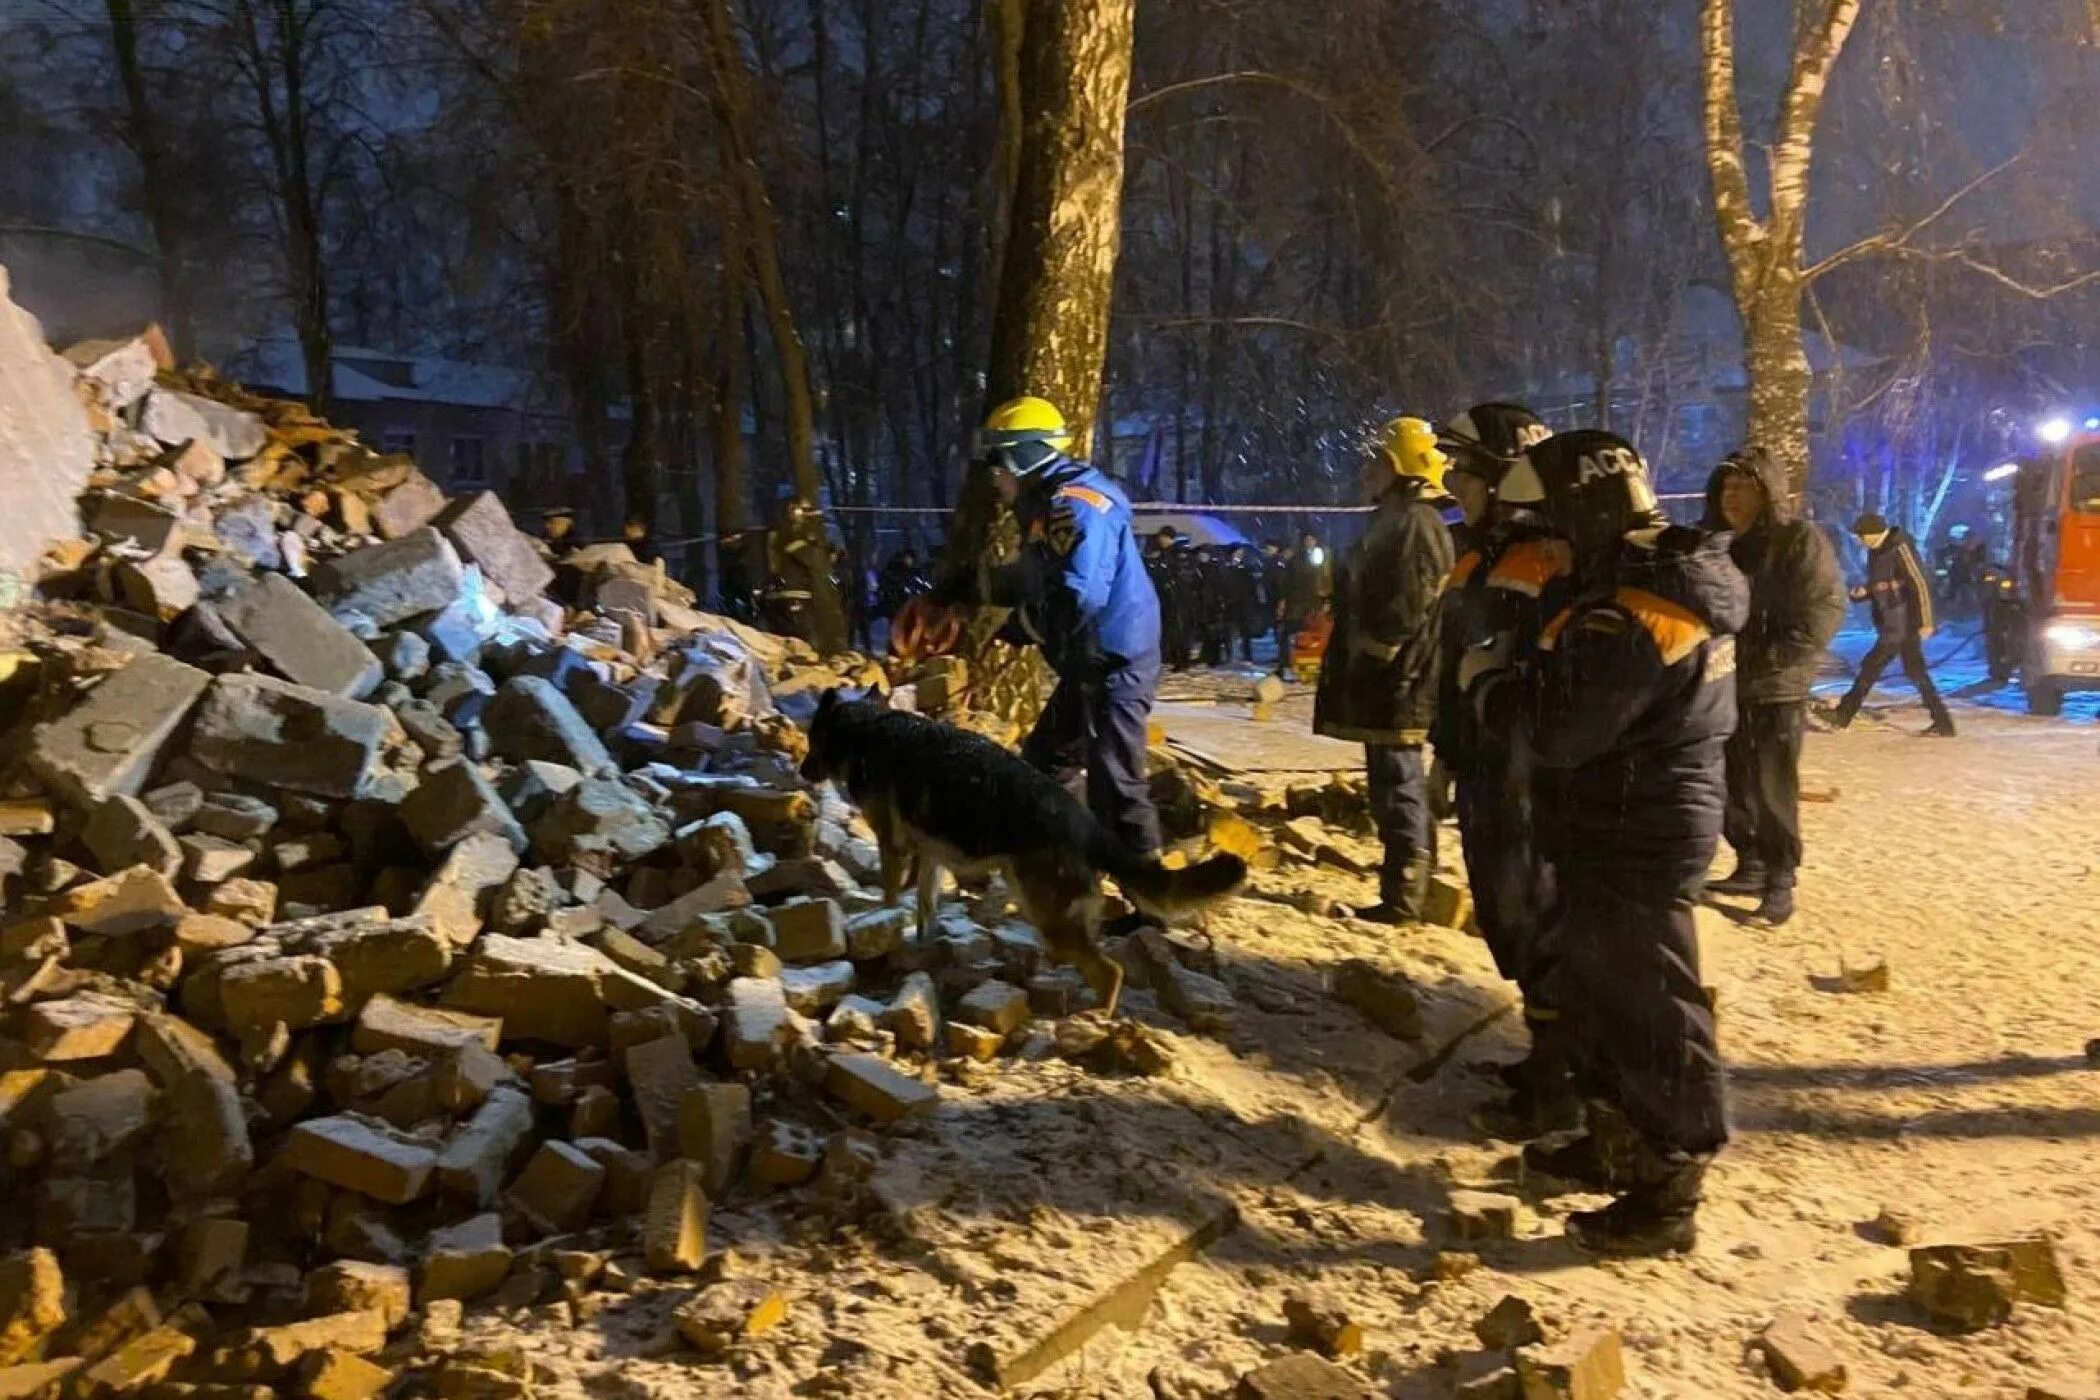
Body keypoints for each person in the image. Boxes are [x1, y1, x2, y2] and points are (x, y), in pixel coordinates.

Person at [1469, 429, 1745, 1257]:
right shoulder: (1639, 582)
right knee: (1602, 991)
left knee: (1650, 1006)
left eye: (1549, 523)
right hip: (1616, 821)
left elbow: (1560, 728)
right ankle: (1616, 1142)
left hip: (1639, 830)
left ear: (1585, 509)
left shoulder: (1636, 608)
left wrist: (1492, 690)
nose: (1543, 544)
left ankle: (1669, 1186)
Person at [1427, 402, 1570, 1132]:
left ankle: (1561, 1083)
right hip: (1485, 764)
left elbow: (1534, 685)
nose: (1452, 482)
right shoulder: (1481, 549)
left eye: (1464, 470)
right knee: (1510, 920)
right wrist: (1447, 753)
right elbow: (1460, 663)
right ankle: (1543, 1055)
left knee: (1539, 922)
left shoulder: (1538, 559)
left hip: (1521, 776)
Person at [972, 396, 1166, 854]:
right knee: (1042, 767)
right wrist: (975, 588)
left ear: (1023, 456)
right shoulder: (1050, 503)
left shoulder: (1075, 507)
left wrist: (1024, 623)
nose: (993, 477)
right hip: (1089, 661)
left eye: (998, 463)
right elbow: (1042, 576)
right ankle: (1046, 864)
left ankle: (1152, 900)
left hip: (1113, 662)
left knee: (1116, 785)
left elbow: (1078, 593)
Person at [1314, 417, 1455, 925]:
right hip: (1392, 677)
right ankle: (1407, 887)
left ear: (1403, 469)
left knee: (1398, 785)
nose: (1366, 473)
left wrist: (1374, 652)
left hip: (1400, 680)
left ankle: (1404, 899)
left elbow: (1408, 602)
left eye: (1377, 462)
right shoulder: (1399, 518)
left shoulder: (1415, 521)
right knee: (1391, 784)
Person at [1701, 448, 1847, 927]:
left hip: (1774, 688)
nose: (1733, 498)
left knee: (1770, 788)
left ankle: (1779, 879)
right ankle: (1750, 862)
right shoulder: (1718, 546)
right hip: (1724, 688)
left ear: (1768, 493)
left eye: (1744, 488)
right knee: (1725, 784)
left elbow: (1821, 610)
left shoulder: (1798, 540)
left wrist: (1773, 659)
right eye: (1727, 488)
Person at [1827, 513, 1955, 736]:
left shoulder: (1900, 547)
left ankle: (1843, 713)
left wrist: (1927, 621)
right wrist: (1865, 592)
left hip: (1904, 623)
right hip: (1892, 621)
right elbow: (1885, 584)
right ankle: (1943, 722)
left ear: (1873, 534)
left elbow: (1919, 583)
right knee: (1915, 671)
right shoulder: (1877, 551)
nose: (1860, 540)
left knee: (1871, 667)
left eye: (1862, 536)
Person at [1277, 530, 1330, 679]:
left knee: (1313, 638)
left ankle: (1310, 666)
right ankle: (1287, 666)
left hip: (1313, 606)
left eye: (1312, 540)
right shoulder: (1296, 560)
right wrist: (1283, 601)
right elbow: (1287, 583)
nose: (1309, 542)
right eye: (1307, 540)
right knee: (1290, 636)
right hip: (1296, 605)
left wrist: (1325, 601)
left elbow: (1325, 583)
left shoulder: (1323, 559)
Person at [1228, 544, 1267, 663]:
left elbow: (1253, 587)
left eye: (1241, 553)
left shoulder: (1246, 569)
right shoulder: (1227, 568)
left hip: (1245, 605)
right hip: (1231, 604)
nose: (1240, 555)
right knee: (1231, 630)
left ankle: (1247, 655)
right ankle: (1231, 655)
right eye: (1238, 553)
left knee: (1245, 632)